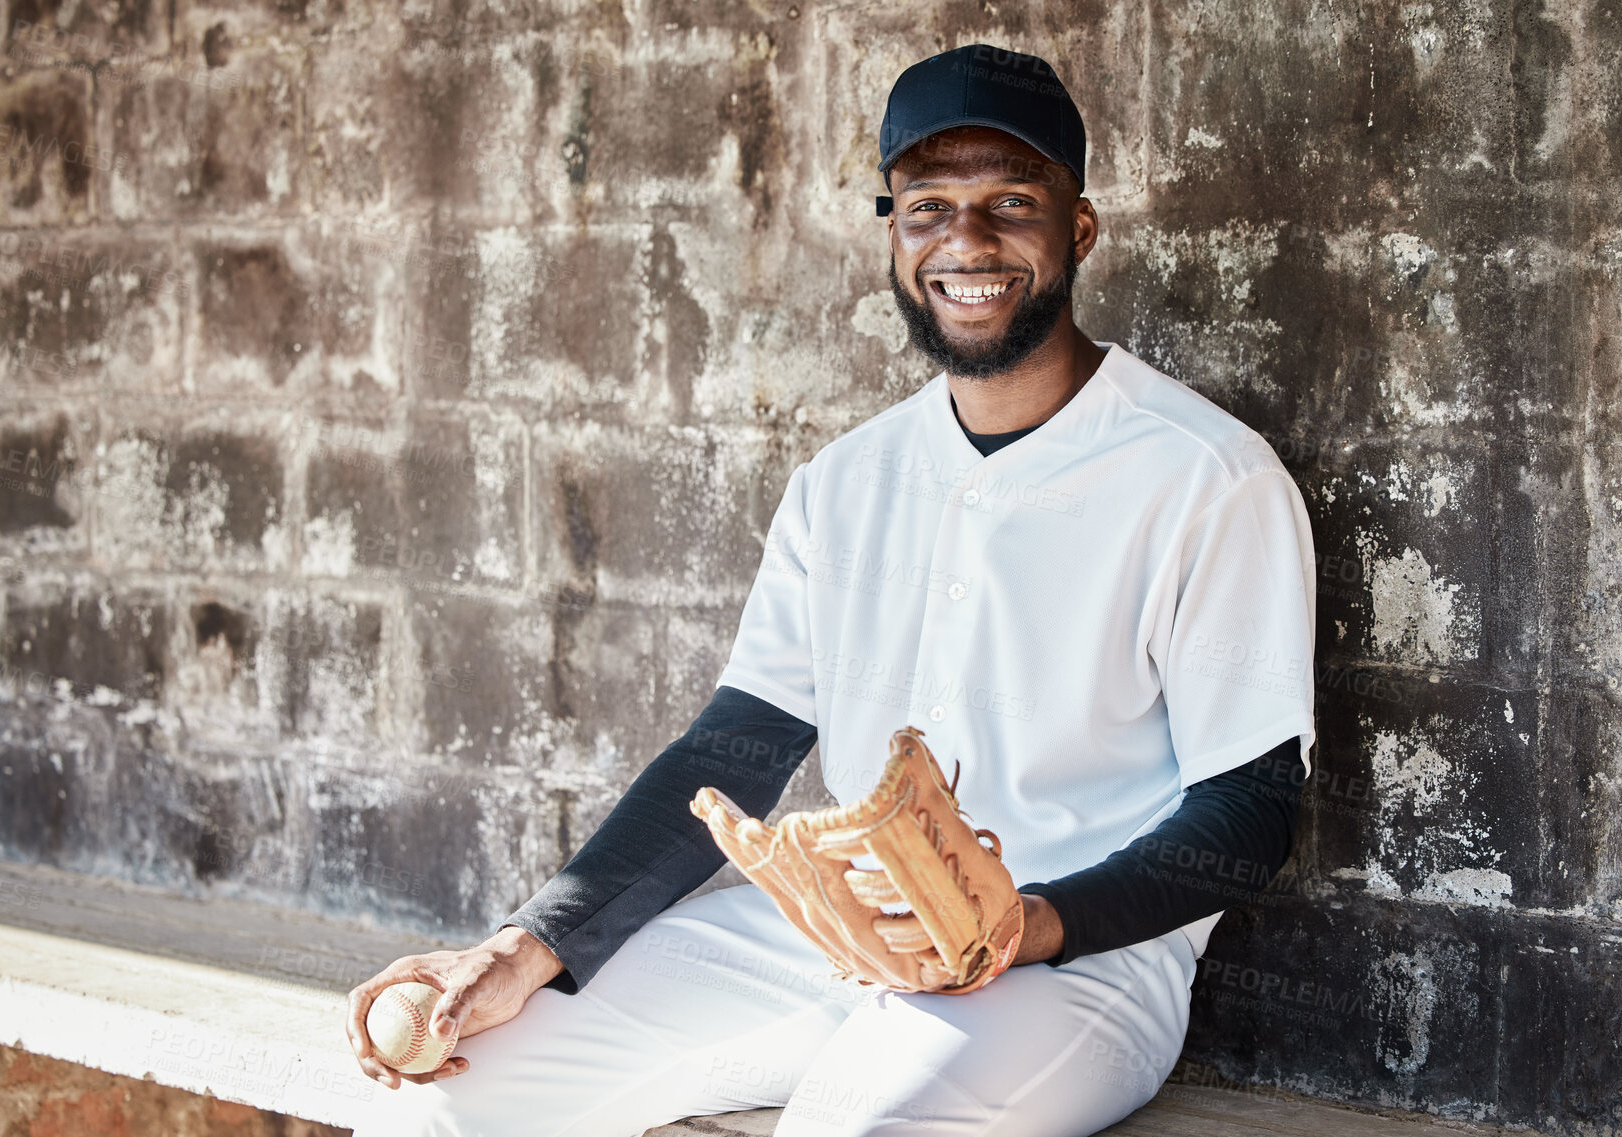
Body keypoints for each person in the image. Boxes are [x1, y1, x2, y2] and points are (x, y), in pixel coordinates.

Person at [346, 43, 1317, 1137]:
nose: (969, 241)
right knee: (453, 1097)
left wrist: (1029, 925)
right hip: (830, 933)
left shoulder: (1206, 477)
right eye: (928, 207)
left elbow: (1252, 807)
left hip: (1070, 972)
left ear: (1078, 229)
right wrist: (531, 944)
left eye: (1011, 200)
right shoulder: (844, 482)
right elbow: (733, 753)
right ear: (895, 235)